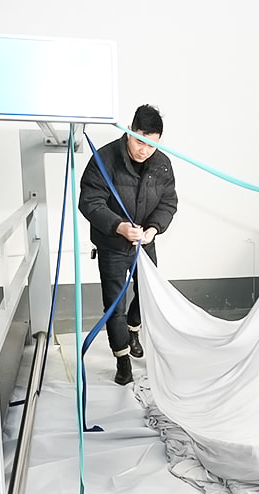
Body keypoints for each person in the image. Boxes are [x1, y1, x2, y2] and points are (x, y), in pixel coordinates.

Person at [79, 104, 179, 385]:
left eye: (151, 145)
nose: (144, 151)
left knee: (147, 293)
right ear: (129, 132)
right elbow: (90, 201)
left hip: (144, 244)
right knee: (115, 305)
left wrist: (153, 230)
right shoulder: (104, 159)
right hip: (112, 244)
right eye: (139, 142)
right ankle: (122, 358)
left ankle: (134, 329)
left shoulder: (162, 164)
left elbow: (168, 202)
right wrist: (119, 226)